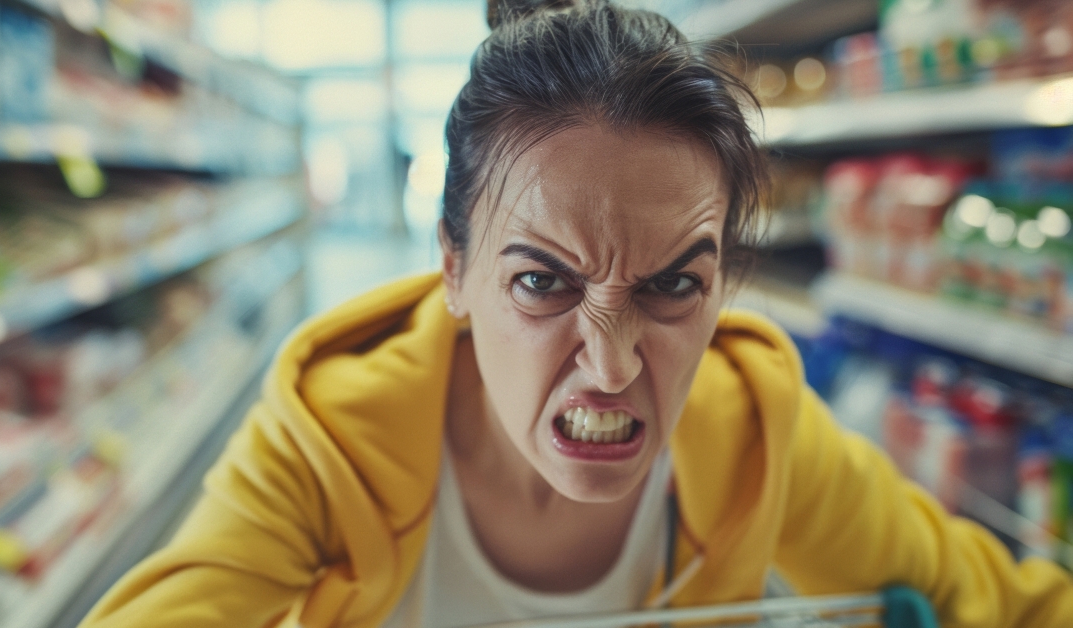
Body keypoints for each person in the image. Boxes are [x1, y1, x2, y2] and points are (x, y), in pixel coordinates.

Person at [79, 1, 1073, 626]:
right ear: (454, 268)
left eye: (673, 284)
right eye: (543, 282)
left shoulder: (757, 427)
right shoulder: (325, 447)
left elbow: (1006, 603)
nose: (610, 365)